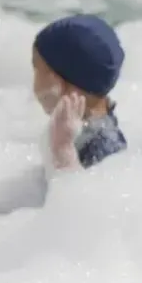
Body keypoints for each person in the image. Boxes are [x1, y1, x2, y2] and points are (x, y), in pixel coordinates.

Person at [32, 14, 128, 172]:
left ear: (57, 84)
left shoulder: (104, 149)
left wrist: (63, 150)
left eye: (36, 69)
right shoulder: (95, 130)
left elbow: (75, 186)